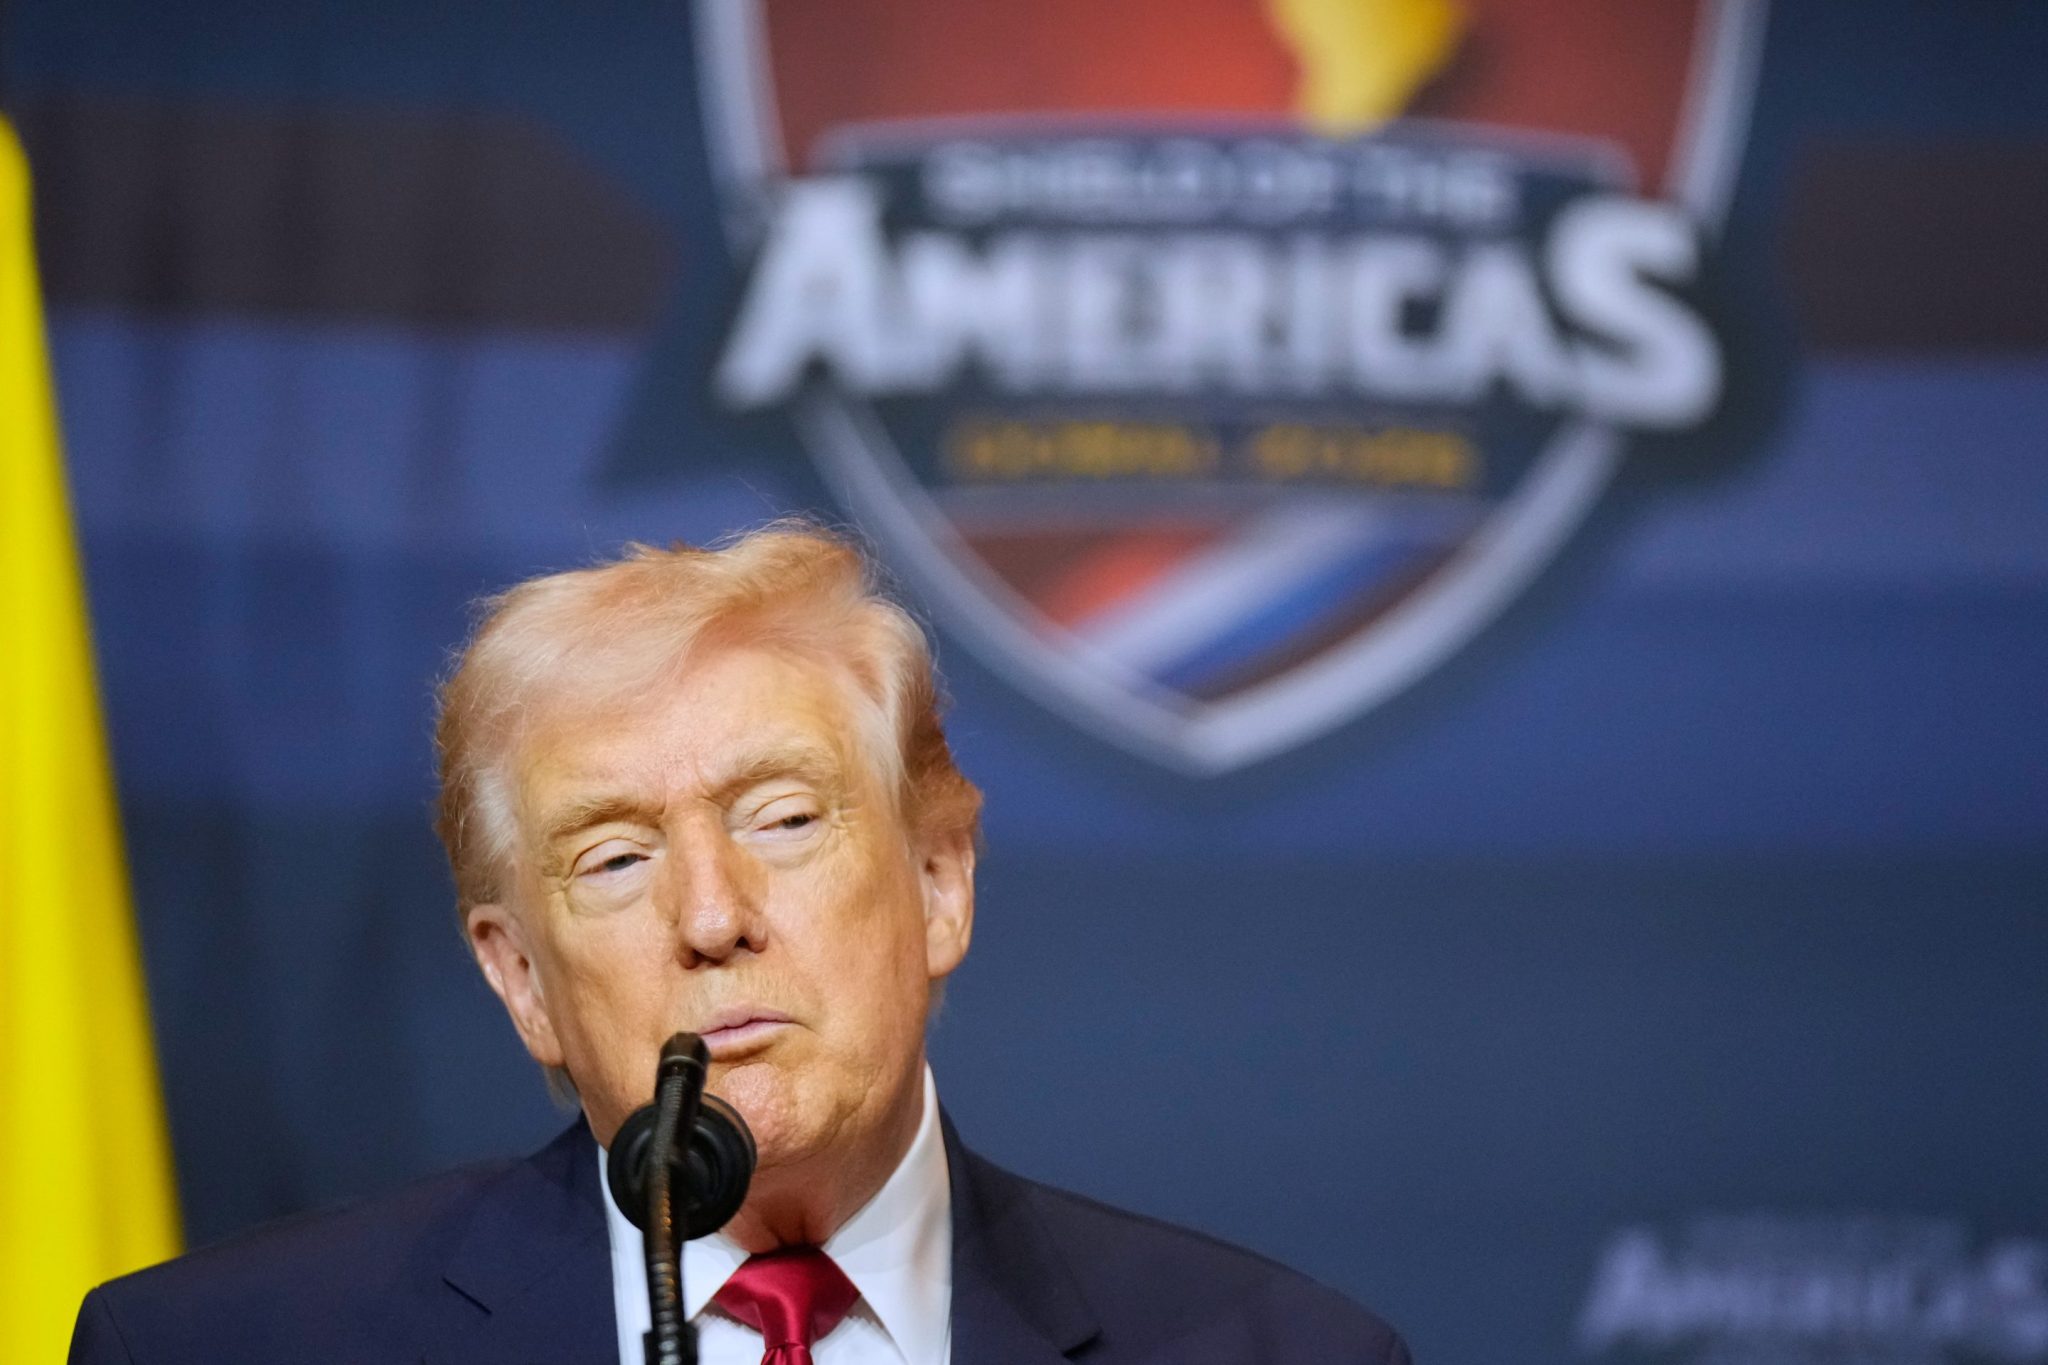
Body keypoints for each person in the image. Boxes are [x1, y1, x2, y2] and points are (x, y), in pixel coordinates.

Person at [69, 523, 1410, 1365]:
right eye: (616, 857)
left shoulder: (1283, 1355)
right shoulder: (214, 1350)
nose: (712, 917)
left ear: (939, 882)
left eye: (783, 818)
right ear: (521, 978)